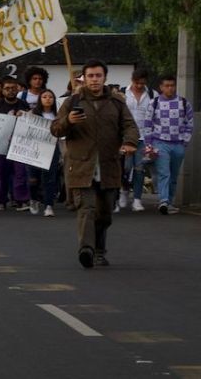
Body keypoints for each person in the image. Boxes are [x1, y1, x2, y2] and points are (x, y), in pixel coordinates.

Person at [52, 60, 138, 268]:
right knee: (87, 209)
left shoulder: (117, 102)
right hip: (81, 166)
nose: (94, 80)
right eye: (90, 76)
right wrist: (69, 121)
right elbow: (55, 129)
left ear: (105, 78)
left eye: (98, 76)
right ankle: (86, 250)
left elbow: (129, 126)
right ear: (84, 78)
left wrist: (128, 142)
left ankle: (100, 250)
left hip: (109, 165)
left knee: (105, 213)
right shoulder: (72, 102)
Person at [143, 75, 194, 215]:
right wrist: (149, 144)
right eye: (167, 85)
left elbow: (189, 123)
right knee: (164, 173)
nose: (170, 88)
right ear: (161, 87)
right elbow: (147, 125)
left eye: (172, 85)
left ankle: (169, 202)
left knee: (174, 175)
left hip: (178, 144)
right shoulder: (154, 103)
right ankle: (164, 201)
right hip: (160, 143)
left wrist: (185, 142)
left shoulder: (184, 103)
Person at [0, 77, 31, 211]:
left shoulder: (23, 104)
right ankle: (1, 201)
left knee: (20, 172)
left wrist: (24, 116)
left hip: (19, 144)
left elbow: (31, 122)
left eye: (13, 88)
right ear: (2, 90)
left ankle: (21, 200)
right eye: (7, 88)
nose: (11, 91)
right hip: (0, 145)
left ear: (17, 89)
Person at [119, 68, 153, 213]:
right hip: (126, 136)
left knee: (139, 169)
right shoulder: (122, 92)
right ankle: (124, 191)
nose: (139, 86)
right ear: (132, 80)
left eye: (142, 83)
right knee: (125, 167)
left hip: (144, 137)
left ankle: (137, 199)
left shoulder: (152, 94)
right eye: (137, 83)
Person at [27, 89, 61, 217]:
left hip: (51, 149)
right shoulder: (32, 114)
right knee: (33, 179)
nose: (48, 99)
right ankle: (34, 199)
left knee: (50, 178)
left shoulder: (58, 115)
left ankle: (48, 205)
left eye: (50, 97)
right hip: (34, 148)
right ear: (40, 99)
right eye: (45, 97)